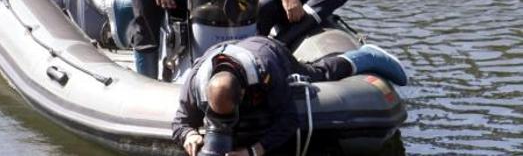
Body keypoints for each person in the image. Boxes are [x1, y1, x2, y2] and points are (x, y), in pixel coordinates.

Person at [172, 36, 408, 156]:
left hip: (266, 49)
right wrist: (188, 135)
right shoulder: (196, 81)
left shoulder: (267, 71)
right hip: (222, 52)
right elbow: (180, 122)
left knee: (318, 73)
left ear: (242, 94)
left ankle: (365, 57)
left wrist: (254, 151)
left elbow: (288, 120)